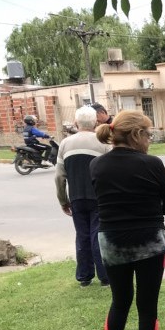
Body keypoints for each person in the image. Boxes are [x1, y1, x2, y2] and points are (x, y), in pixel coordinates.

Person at [89, 110, 165, 330]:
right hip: (150, 241)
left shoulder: (96, 166)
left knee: (120, 301)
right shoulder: (152, 164)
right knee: (147, 306)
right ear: (137, 135)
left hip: (112, 241)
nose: (150, 140)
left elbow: (103, 202)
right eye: (149, 134)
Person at [55, 106, 112, 287]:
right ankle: (105, 276)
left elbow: (59, 176)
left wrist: (63, 201)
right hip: (99, 197)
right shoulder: (103, 143)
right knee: (98, 235)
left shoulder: (65, 143)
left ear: (76, 123)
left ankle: (84, 277)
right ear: (96, 122)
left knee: (82, 235)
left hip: (77, 197)